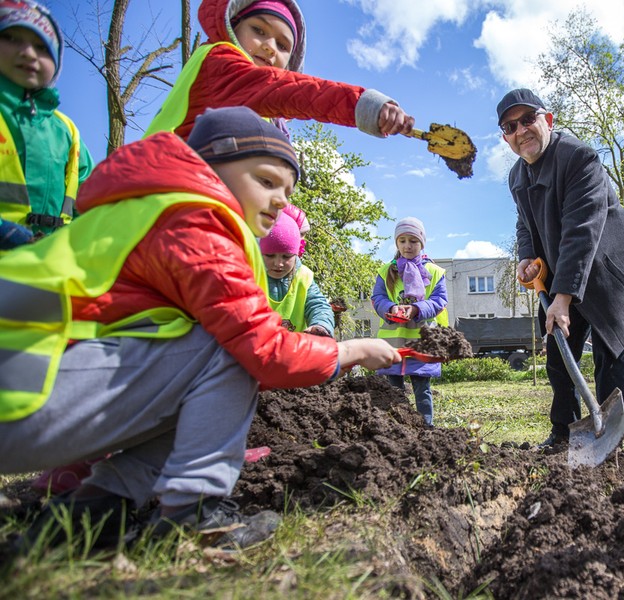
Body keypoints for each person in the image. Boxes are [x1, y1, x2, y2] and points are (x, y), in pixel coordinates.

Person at [0, 106, 400, 551]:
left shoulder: (155, 209)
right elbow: (263, 350)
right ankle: (196, 512)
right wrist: (353, 351)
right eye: (266, 181)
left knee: (201, 373)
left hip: (34, 389)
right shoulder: (196, 220)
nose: (282, 200)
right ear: (209, 167)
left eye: (287, 190)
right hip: (24, 392)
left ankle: (97, 510)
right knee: (227, 351)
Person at [497, 88, 624, 449]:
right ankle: (563, 432)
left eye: (528, 120)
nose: (521, 131)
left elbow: (582, 231)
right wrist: (525, 258)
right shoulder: (517, 176)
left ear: (548, 120)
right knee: (559, 355)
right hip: (561, 271)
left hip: (604, 270)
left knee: (609, 355)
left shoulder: (580, 158)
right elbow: (524, 225)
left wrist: (563, 297)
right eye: (510, 126)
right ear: (506, 137)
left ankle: (610, 436)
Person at [144, 0, 413, 141]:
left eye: (283, 45)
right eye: (258, 30)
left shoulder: (263, 113)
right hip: (166, 207)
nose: (270, 47)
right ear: (232, 27)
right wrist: (365, 106)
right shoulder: (221, 65)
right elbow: (294, 92)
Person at [0, 0, 93, 247]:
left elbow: (91, 199)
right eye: (10, 38)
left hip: (49, 268)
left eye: (42, 47)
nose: (29, 53)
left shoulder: (68, 132)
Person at [371, 217, 448, 426]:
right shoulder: (387, 271)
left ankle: (426, 428)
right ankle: (396, 428)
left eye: (413, 241)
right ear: (396, 243)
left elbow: (440, 300)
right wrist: (390, 309)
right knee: (393, 392)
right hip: (393, 344)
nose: (407, 246)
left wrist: (416, 309)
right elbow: (377, 298)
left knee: (422, 391)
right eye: (402, 240)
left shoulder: (434, 272)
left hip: (421, 344)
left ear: (422, 243)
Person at [261, 203, 334, 337]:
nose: (278, 263)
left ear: (296, 253)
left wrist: (321, 325)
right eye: (270, 255)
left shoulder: (303, 276)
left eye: (286, 256)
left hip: (294, 352)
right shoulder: (251, 273)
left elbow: (318, 305)